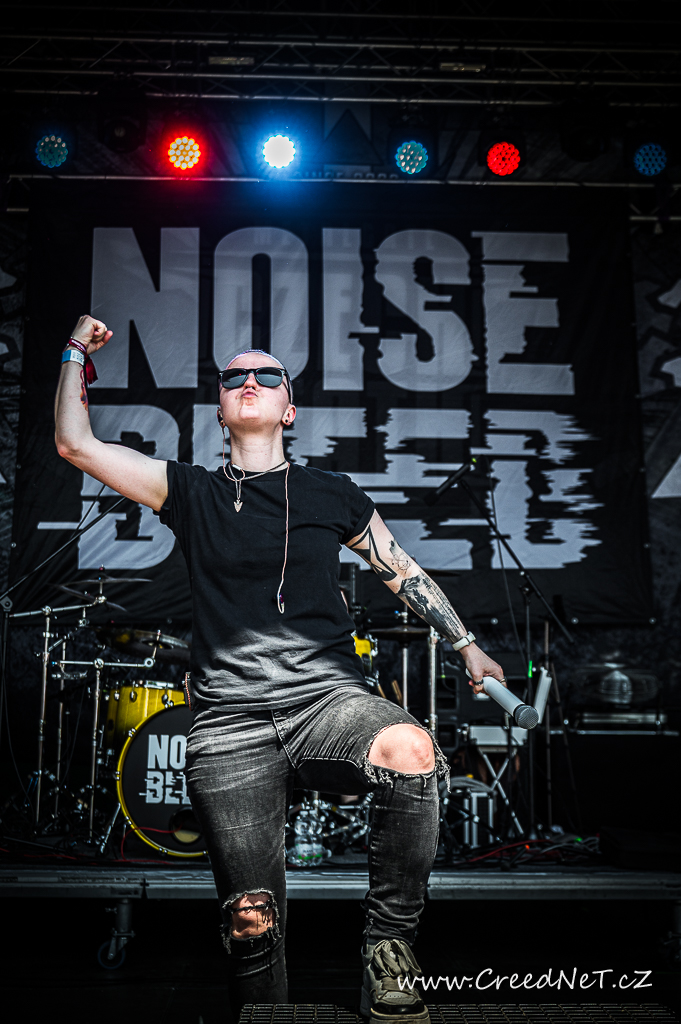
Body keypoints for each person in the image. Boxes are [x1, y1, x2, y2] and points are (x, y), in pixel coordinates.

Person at [56, 315, 506, 1022]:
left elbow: (400, 569)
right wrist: (74, 350)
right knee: (250, 919)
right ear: (220, 407)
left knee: (411, 749)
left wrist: (464, 642)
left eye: (267, 375)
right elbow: (74, 444)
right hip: (229, 720)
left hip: (325, 700)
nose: (250, 382)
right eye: (234, 376)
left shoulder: (331, 492)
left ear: (288, 409)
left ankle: (388, 947)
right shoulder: (189, 490)